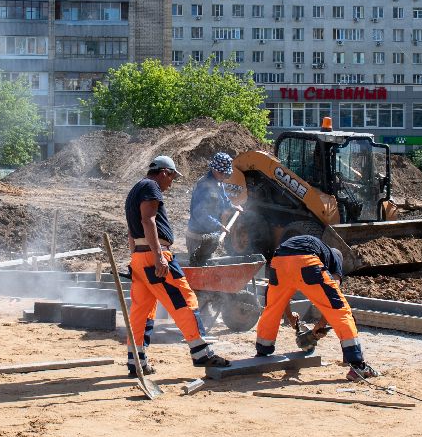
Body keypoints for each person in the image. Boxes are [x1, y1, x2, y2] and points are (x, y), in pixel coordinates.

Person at [124, 155, 229, 377]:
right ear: (164, 172)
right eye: (171, 177)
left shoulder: (135, 189)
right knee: (185, 299)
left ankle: (136, 360)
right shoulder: (151, 186)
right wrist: (159, 256)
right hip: (155, 257)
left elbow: (132, 229)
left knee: (141, 311)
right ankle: (201, 352)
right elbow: (148, 221)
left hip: (141, 259)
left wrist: (136, 256)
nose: (171, 183)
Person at [253, 231, 377, 380]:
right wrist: (321, 324)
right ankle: (358, 366)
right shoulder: (335, 259)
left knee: (272, 308)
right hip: (306, 261)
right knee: (341, 311)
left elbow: (282, 297)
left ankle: (263, 351)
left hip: (279, 260)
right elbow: (333, 301)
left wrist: (290, 316)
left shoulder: (314, 246)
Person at [185, 152, 239, 266]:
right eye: (222, 173)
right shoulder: (204, 185)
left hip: (210, 236)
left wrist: (233, 207)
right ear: (215, 170)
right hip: (198, 237)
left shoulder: (219, 183)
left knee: (207, 267)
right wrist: (218, 225)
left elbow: (224, 199)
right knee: (197, 268)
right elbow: (200, 214)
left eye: (226, 175)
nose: (224, 177)